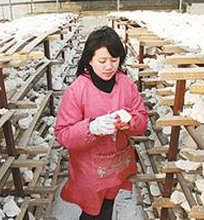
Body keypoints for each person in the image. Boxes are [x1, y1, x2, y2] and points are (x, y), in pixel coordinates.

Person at [54, 26, 148, 220]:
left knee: (107, 208)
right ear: (90, 59)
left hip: (116, 166)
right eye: (102, 61)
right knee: (91, 214)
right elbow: (63, 134)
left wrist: (131, 121)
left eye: (114, 60)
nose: (109, 67)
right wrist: (90, 128)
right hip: (89, 171)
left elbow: (142, 122)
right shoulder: (77, 90)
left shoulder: (126, 85)